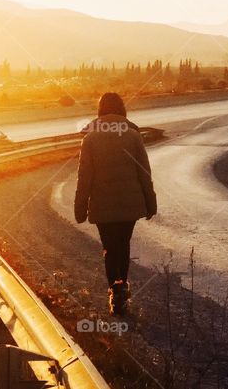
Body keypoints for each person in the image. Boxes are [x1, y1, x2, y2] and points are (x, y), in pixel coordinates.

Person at [74, 92, 157, 316]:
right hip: (130, 204)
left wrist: (80, 208)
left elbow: (84, 177)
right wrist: (150, 203)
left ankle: (116, 290)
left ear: (100, 110)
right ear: (122, 110)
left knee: (110, 248)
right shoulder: (133, 136)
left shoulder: (90, 139)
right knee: (123, 244)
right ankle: (121, 288)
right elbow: (144, 173)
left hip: (102, 205)